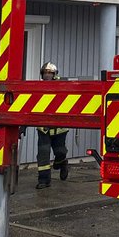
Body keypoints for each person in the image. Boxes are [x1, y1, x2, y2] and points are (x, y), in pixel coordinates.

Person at [35, 61, 70, 189]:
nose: (47, 76)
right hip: (43, 128)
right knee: (43, 153)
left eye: (50, 73)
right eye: (45, 73)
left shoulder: (61, 86)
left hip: (60, 128)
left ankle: (62, 162)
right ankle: (44, 180)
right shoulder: (38, 88)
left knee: (59, 151)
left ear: (55, 74)